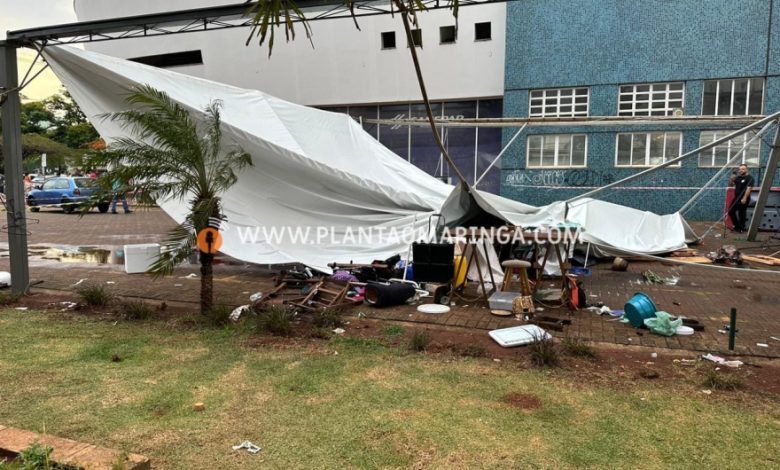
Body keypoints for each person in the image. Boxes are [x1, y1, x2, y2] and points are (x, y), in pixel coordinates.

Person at [728, 164, 754, 233]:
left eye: (743, 169)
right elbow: (730, 185)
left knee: (741, 213)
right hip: (736, 198)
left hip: (744, 197)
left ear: (746, 169)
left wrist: (744, 198)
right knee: (730, 211)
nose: (741, 170)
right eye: (740, 169)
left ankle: (741, 228)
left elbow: (749, 188)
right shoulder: (738, 178)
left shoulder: (750, 178)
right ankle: (736, 226)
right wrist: (731, 179)